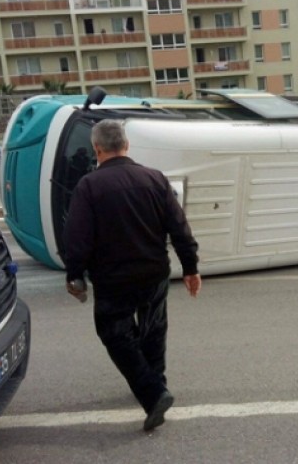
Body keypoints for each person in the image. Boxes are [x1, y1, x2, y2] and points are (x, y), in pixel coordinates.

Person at [63, 119, 201, 432]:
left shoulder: (88, 186)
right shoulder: (154, 179)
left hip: (114, 280)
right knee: (153, 329)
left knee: (115, 335)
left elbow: (77, 238)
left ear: (97, 149)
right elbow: (179, 228)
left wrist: (75, 274)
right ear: (126, 145)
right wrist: (190, 267)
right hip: (154, 273)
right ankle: (157, 379)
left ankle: (153, 393)